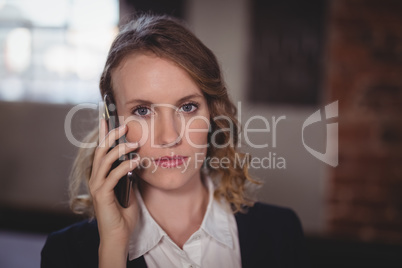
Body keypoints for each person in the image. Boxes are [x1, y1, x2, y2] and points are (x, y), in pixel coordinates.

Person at [41, 14, 309, 268]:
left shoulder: (281, 232)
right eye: (142, 111)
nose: (169, 137)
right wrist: (114, 247)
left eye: (188, 107)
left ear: (213, 114)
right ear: (114, 123)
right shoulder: (65, 253)